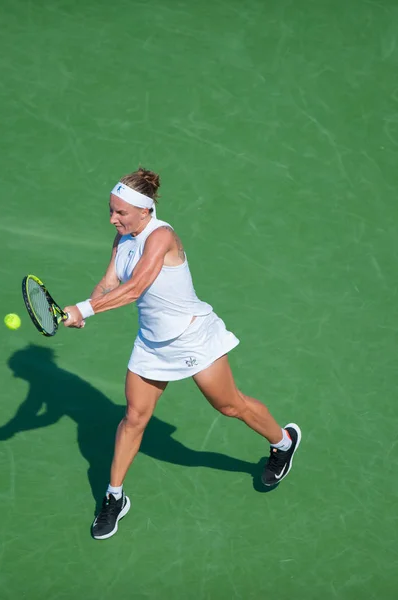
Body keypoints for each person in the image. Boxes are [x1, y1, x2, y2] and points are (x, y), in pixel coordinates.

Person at [63, 167, 301, 540]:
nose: (113, 218)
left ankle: (283, 442)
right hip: (151, 343)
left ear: (145, 211)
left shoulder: (162, 237)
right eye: (111, 210)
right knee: (134, 418)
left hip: (192, 338)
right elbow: (110, 283)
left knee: (229, 406)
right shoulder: (122, 236)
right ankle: (114, 496)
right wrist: (81, 311)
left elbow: (136, 287)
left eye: (120, 213)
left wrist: (85, 309)